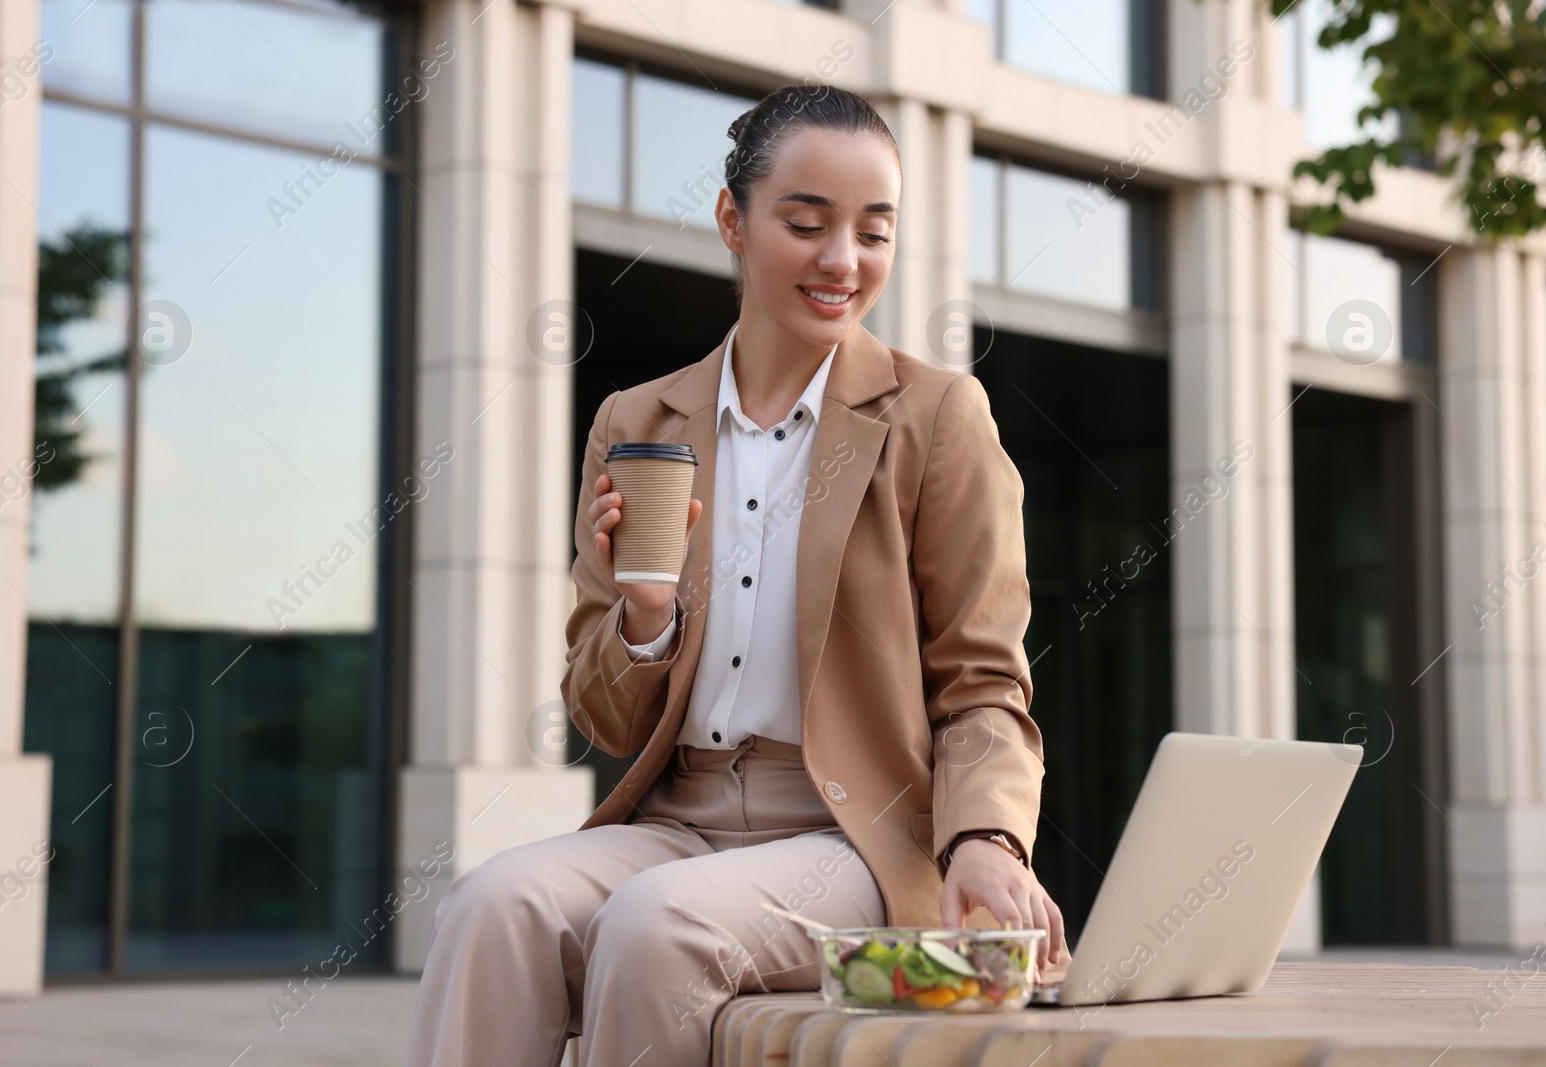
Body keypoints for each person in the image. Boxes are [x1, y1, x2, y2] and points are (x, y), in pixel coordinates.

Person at [403, 82, 1064, 1067]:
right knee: (489, 901)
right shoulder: (636, 424)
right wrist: (646, 615)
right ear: (732, 220)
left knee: (653, 925)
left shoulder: (934, 417)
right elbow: (606, 719)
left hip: (851, 835)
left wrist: (987, 839)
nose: (843, 260)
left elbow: (983, 679)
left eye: (873, 231)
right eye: (806, 223)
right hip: (680, 820)